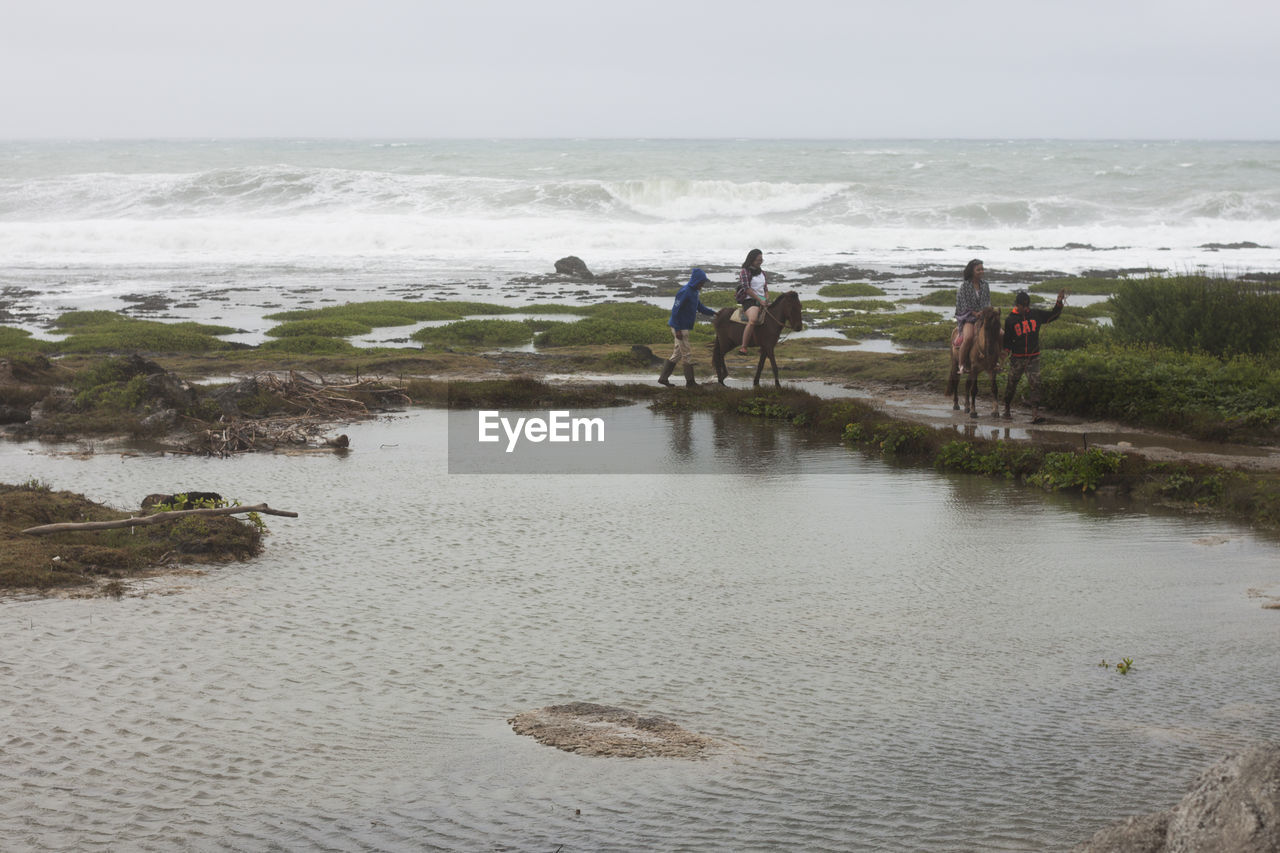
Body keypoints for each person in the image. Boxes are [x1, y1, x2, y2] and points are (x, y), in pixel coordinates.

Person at [1001, 288, 1065, 423]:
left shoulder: (1036, 314)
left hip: (1033, 357)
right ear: (1016, 305)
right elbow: (1007, 340)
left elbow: (1053, 315)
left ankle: (1035, 413)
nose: (1025, 308)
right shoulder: (1010, 320)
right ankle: (1006, 408)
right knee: (1012, 384)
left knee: (1035, 384)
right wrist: (1005, 353)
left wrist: (1059, 302)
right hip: (1017, 358)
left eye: (1026, 306)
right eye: (1022, 306)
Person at [658, 267, 717, 387]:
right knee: (687, 354)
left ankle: (663, 378)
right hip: (680, 327)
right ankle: (690, 382)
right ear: (696, 281)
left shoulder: (695, 292)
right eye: (701, 282)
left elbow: (700, 307)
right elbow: (675, 311)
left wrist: (714, 312)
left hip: (684, 327)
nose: (703, 284)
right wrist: (678, 329)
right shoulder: (685, 291)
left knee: (677, 354)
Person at [954, 258, 991, 373]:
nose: (981, 271)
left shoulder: (985, 285)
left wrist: (984, 312)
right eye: (978, 270)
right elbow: (964, 304)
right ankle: (961, 364)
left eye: (982, 269)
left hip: (983, 317)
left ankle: (996, 361)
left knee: (999, 333)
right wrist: (975, 313)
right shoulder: (965, 286)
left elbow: (987, 301)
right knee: (969, 337)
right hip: (969, 318)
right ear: (972, 271)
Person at [735, 248, 769, 355]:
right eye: (758, 260)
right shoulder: (745, 272)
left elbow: (765, 288)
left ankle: (764, 345)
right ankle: (744, 347)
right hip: (750, 300)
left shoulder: (762, 273)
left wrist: (766, 299)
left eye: (761, 259)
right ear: (752, 260)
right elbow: (747, 289)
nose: (760, 261)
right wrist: (760, 300)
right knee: (753, 320)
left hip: (762, 300)